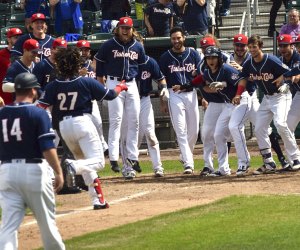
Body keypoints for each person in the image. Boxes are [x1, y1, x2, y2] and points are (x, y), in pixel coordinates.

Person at [38, 47, 128, 209]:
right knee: (98, 162)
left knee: (87, 164)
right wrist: (121, 86)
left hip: (63, 128)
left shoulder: (52, 86)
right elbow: (111, 95)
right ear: (76, 64)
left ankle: (98, 200)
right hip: (82, 123)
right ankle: (71, 166)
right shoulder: (85, 81)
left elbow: (40, 106)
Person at [0, 72, 65, 250]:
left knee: (7, 227)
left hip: (6, 172)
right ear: (33, 91)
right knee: (47, 225)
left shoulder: (2, 113)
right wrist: (58, 172)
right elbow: (47, 147)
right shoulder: (38, 113)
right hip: (33, 171)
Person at [232, 35, 300, 174]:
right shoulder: (249, 63)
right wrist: (238, 94)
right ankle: (269, 162)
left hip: (281, 96)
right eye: (250, 47)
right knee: (259, 128)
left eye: (254, 47)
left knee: (281, 124)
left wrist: (286, 82)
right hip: (267, 98)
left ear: (260, 46)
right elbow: (243, 79)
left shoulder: (271, 60)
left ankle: (295, 158)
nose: (252, 50)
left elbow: (289, 72)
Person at [94, 17, 147, 179]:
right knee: (116, 120)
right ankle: (113, 157)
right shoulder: (109, 45)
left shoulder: (137, 46)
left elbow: (142, 66)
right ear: (117, 29)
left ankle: (132, 158)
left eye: (128, 28)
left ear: (132, 29)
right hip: (113, 82)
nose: (125, 30)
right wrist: (102, 87)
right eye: (122, 27)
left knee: (134, 121)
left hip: (131, 84)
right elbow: (99, 66)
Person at [160, 26, 201, 174]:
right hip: (174, 93)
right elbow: (161, 79)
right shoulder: (165, 57)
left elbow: (201, 75)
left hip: (191, 93)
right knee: (180, 129)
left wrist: (203, 96)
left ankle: (184, 155)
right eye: (173, 38)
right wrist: (163, 101)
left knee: (194, 131)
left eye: (178, 38)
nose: (176, 41)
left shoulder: (193, 53)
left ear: (184, 38)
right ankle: (188, 164)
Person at [0, 28, 23, 106]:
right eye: (16, 37)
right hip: (5, 98)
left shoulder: (26, 55)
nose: (19, 40)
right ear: (9, 39)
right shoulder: (1, 55)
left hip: (21, 98)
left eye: (20, 38)